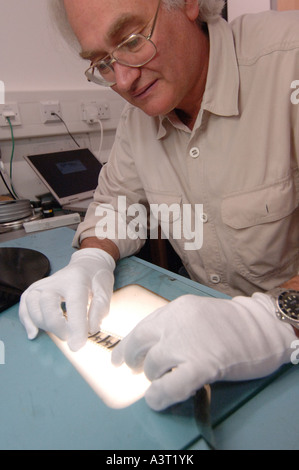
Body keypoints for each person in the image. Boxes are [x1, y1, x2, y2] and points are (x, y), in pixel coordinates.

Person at [19, 0, 299, 411]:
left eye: (131, 41)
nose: (125, 81)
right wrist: (90, 261)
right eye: (102, 63)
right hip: (206, 357)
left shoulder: (289, 60)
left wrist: (271, 321)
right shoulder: (140, 120)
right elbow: (116, 204)